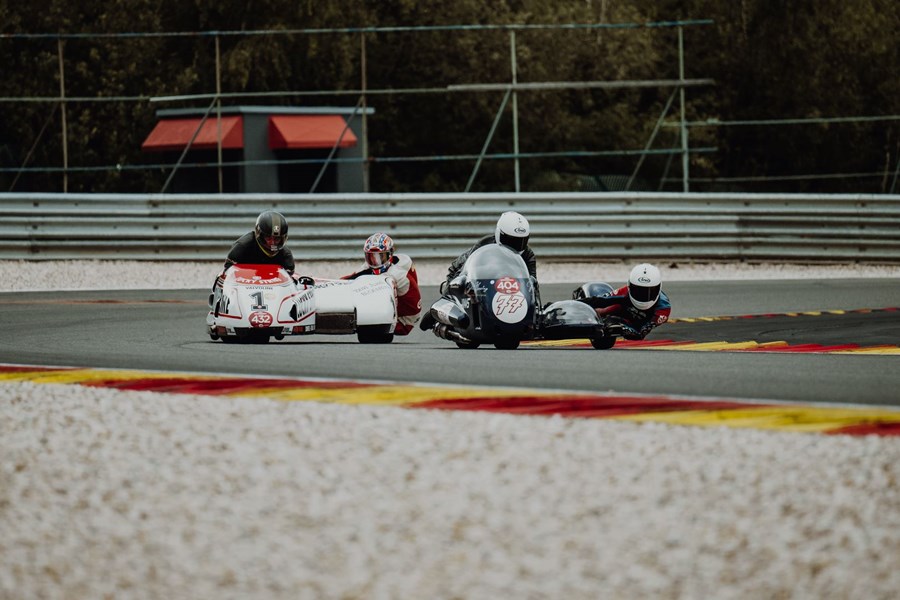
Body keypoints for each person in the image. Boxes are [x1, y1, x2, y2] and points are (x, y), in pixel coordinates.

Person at [420, 211, 536, 331]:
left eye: (522, 241)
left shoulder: (528, 255)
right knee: (457, 286)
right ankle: (440, 310)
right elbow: (463, 269)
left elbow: (532, 285)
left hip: (511, 291)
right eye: (512, 240)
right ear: (499, 234)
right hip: (482, 286)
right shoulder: (484, 245)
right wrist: (455, 291)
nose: (517, 245)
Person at [343, 232, 422, 336]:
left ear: (390, 254)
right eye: (371, 257)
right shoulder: (369, 267)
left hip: (403, 321)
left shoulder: (399, 275)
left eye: (380, 257)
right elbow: (352, 278)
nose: (375, 262)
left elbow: (414, 308)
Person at [575, 263, 671, 340]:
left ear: (659, 289)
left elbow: (641, 333)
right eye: (638, 290)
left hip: (634, 324)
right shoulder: (624, 292)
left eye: (650, 291)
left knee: (612, 325)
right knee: (602, 310)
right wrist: (576, 304)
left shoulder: (663, 309)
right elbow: (600, 300)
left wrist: (623, 327)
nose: (643, 295)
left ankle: (611, 323)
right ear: (630, 287)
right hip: (621, 309)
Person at [218, 210, 312, 285]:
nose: (272, 243)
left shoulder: (286, 255)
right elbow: (227, 272)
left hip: (272, 288)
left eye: (277, 239)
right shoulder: (242, 246)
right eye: (268, 238)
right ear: (260, 234)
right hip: (243, 284)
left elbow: (289, 282)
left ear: (283, 238)